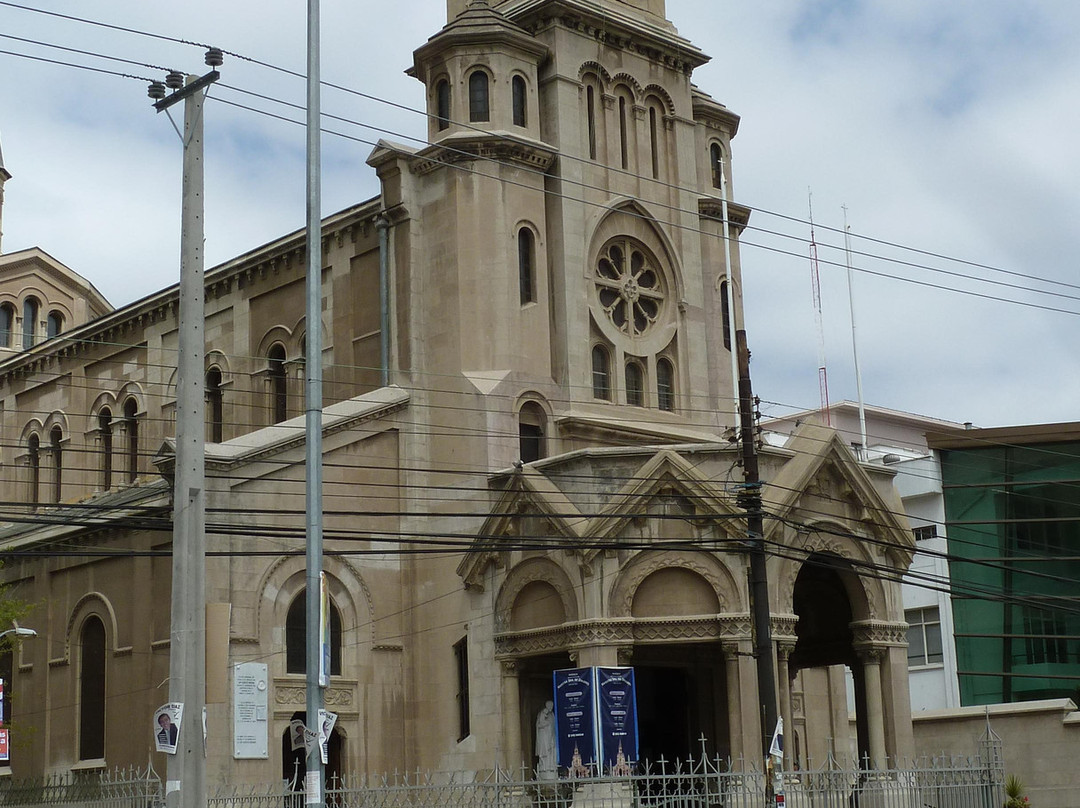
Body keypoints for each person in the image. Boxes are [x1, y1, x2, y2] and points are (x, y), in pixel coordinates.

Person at [535, 700, 556, 780]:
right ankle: (544, 767)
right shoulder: (542, 713)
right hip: (544, 737)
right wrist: (545, 724)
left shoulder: (552, 714)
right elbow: (539, 724)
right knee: (544, 753)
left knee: (551, 753)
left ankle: (551, 766)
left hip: (551, 737)